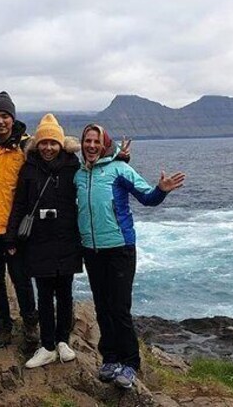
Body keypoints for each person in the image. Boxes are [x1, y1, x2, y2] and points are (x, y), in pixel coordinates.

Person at [75, 124, 185, 389]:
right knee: (102, 307)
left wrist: (162, 189)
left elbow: (147, 198)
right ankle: (110, 359)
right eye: (87, 141)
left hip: (120, 248)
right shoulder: (78, 174)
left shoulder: (120, 170)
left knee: (120, 307)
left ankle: (131, 363)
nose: (91, 145)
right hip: (91, 250)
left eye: (96, 141)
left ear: (104, 145)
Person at [6, 114, 82, 368]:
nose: (48, 148)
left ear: (61, 144)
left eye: (53, 143)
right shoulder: (28, 168)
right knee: (45, 294)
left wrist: (122, 157)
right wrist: (12, 237)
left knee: (65, 293)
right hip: (38, 240)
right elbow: (19, 204)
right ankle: (47, 345)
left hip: (66, 238)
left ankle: (63, 342)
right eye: (44, 143)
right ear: (37, 144)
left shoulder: (73, 166)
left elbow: (98, 172)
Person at [0, 91, 39, 349]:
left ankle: (30, 325)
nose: (0, 121)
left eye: (5, 116)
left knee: (21, 279)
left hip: (13, 228)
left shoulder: (26, 148)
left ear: (12, 119)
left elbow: (57, 158)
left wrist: (118, 157)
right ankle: (2, 324)